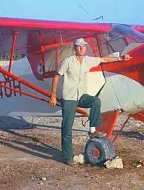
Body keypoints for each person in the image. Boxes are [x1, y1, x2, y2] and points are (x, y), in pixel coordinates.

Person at [49, 37, 132, 165]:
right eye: (79, 46)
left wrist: (120, 58)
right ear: (75, 48)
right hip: (69, 98)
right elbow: (57, 76)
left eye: (84, 46)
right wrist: (53, 95)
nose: (82, 48)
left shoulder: (88, 60)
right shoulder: (68, 61)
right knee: (67, 127)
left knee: (95, 101)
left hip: (81, 96)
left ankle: (92, 130)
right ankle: (67, 156)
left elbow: (103, 59)